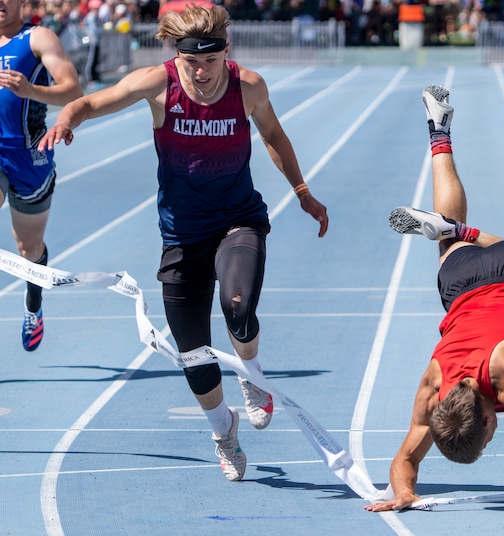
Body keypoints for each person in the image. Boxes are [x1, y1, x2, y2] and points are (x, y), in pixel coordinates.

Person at [39, 5, 329, 482]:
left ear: (225, 52)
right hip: (182, 234)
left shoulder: (248, 86)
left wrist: (301, 192)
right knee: (193, 355)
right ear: (177, 53)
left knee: (237, 307)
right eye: (191, 61)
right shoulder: (158, 83)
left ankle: (251, 375)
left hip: (238, 220)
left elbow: (273, 133)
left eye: (209, 61)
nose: (199, 71)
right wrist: (68, 117)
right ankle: (223, 430)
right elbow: (93, 101)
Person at [365, 85, 504, 512]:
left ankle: (463, 232)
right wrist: (403, 491)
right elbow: (401, 464)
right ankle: (440, 138)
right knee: (449, 231)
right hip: (459, 281)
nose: (490, 441)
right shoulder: (435, 386)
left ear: (489, 418)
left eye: (485, 441)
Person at [0, 0, 83, 351]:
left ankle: (33, 305)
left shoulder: (38, 39)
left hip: (30, 158)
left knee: (28, 248)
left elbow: (73, 90)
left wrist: (30, 90)